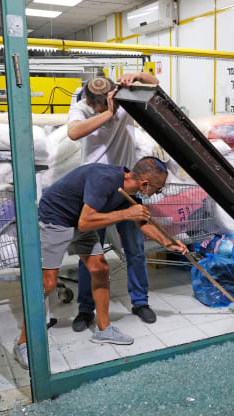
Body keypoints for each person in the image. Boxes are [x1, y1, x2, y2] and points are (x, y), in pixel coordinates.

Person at [13, 157, 188, 369]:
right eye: (157, 190)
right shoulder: (103, 180)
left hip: (81, 223)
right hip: (56, 220)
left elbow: (141, 221)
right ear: (144, 184)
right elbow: (86, 221)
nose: (155, 194)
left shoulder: (129, 191)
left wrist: (168, 242)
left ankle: (104, 329)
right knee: (47, 284)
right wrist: (125, 213)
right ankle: (23, 343)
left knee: (100, 269)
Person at [67, 71, 163, 329]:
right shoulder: (80, 108)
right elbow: (74, 133)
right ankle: (85, 309)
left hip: (127, 186)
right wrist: (107, 113)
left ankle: (140, 302)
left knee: (134, 249)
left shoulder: (125, 102)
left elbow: (155, 85)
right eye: (100, 105)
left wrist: (138, 76)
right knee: (90, 253)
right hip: (94, 190)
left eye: (109, 102)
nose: (108, 107)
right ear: (89, 103)